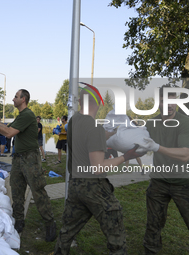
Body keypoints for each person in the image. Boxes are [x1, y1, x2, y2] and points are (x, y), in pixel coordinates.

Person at [54, 85, 143, 255]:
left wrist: (114, 133)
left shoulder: (73, 122)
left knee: (68, 230)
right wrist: (127, 156)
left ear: (80, 102)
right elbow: (98, 167)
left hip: (75, 185)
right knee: (115, 231)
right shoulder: (93, 128)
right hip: (94, 188)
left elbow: (94, 134)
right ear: (98, 104)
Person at [137, 85, 189, 255]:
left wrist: (157, 147)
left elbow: (184, 154)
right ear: (157, 102)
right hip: (159, 182)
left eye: (172, 100)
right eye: (164, 100)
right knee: (153, 224)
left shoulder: (186, 123)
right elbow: (139, 144)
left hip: (185, 183)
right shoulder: (151, 123)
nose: (168, 104)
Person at [0, 89, 56, 242]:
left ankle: (50, 223)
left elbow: (8, 133)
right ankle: (19, 221)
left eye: (16, 96)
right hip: (18, 158)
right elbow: (6, 127)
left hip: (30, 158)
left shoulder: (27, 115)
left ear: (23, 99)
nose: (13, 99)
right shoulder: (21, 116)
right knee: (17, 191)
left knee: (37, 191)